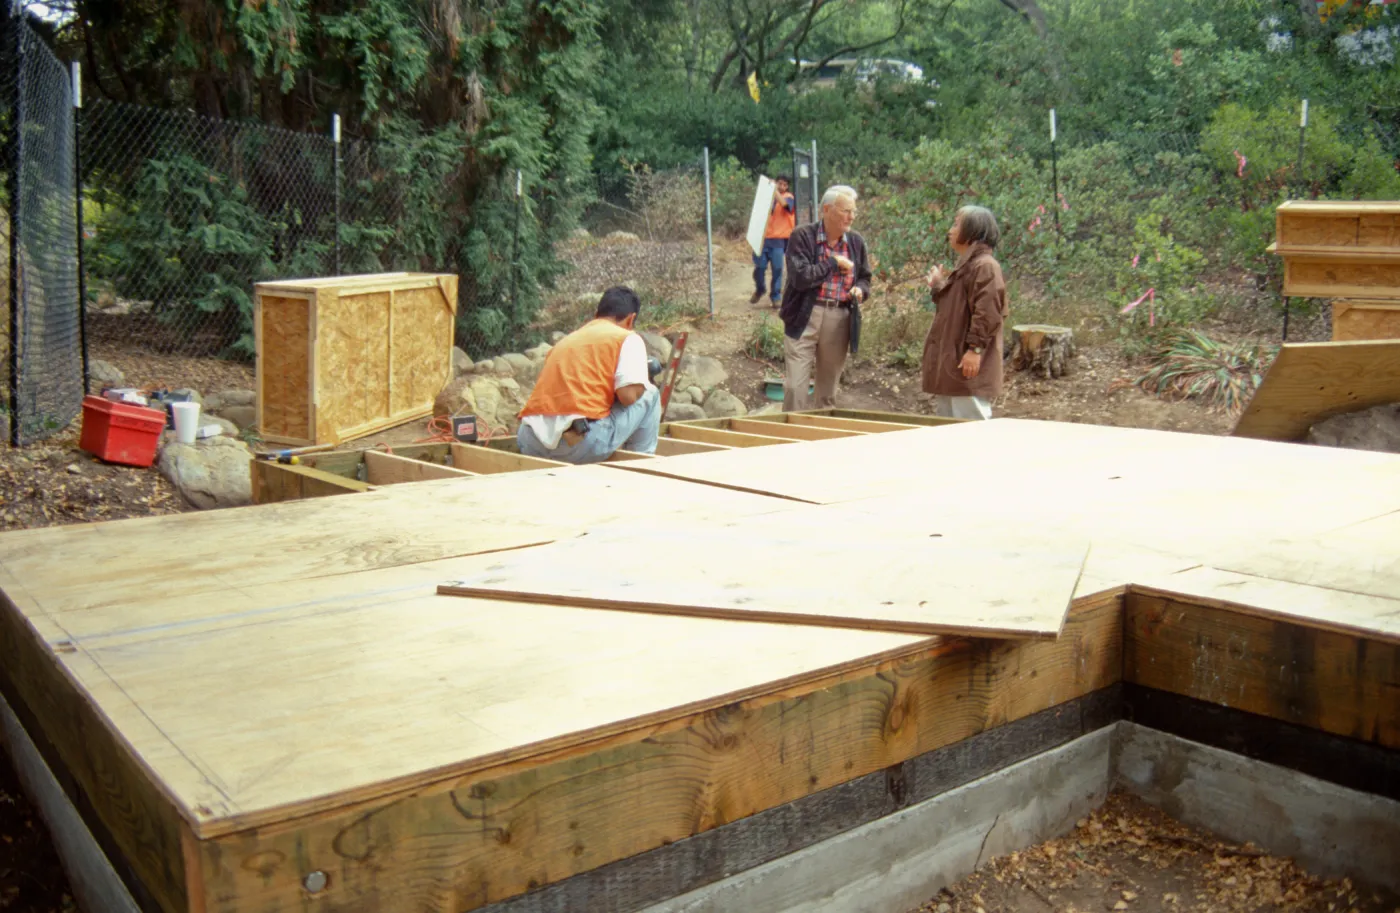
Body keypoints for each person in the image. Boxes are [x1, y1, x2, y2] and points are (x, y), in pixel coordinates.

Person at [517, 286, 660, 463]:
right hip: (577, 444)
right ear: (631, 319)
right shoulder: (626, 337)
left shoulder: (566, 341)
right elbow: (628, 396)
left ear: (596, 315)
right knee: (651, 394)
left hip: (530, 443)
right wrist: (641, 383)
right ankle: (641, 466)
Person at [778, 185, 871, 412]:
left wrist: (860, 290)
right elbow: (800, 277)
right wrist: (832, 263)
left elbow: (865, 278)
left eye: (854, 211)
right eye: (846, 211)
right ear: (827, 209)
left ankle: (822, 432)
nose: (851, 217)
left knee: (828, 392)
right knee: (794, 388)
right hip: (803, 316)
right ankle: (791, 431)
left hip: (839, 317)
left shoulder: (856, 242)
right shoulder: (802, 236)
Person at [921, 205, 1008, 420]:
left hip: (966, 365)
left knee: (972, 427)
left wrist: (975, 350)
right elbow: (954, 309)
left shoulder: (985, 266)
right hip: (953, 365)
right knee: (948, 426)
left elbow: (988, 313)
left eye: (956, 224)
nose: (950, 231)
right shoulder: (968, 265)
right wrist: (939, 286)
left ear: (972, 230)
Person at [751, 174, 796, 307]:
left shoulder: (789, 197)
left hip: (778, 240)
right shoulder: (766, 197)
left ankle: (776, 296)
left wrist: (773, 189)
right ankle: (760, 289)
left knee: (777, 269)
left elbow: (785, 205)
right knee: (759, 268)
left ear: (787, 187)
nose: (782, 186)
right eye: (779, 183)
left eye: (784, 185)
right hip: (763, 239)